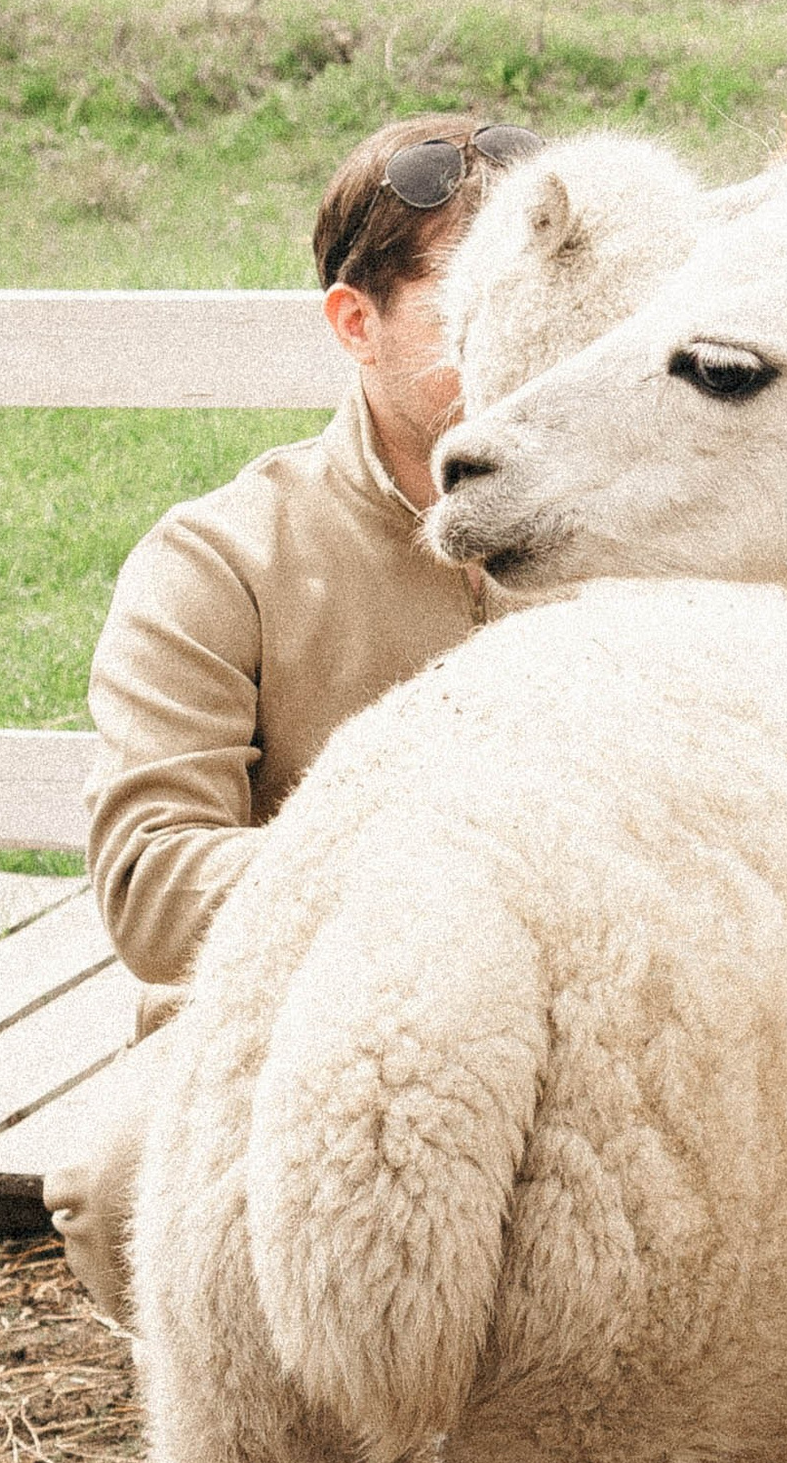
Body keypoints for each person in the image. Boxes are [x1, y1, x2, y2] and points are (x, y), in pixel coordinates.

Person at [44, 113, 543, 1319]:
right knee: (123, 1191)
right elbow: (155, 891)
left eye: (544, 303)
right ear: (353, 323)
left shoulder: (654, 532)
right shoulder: (215, 560)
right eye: (467, 312)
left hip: (598, 1012)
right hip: (298, 1017)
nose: (524, 348)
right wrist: (455, 874)